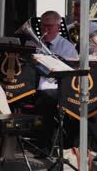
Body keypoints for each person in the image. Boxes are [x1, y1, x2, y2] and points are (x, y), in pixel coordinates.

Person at [35, 10, 78, 154]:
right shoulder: (37, 44)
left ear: (58, 27)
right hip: (36, 87)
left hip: (55, 88)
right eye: (43, 26)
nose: (45, 30)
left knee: (46, 102)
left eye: (49, 26)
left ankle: (44, 145)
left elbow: (70, 74)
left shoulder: (67, 47)